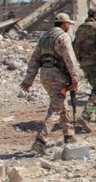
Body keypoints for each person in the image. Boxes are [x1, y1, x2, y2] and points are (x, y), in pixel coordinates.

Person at [21, 12, 82, 155]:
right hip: (58, 76)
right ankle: (41, 141)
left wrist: (28, 80)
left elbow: (34, 60)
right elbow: (70, 59)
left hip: (45, 75)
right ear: (64, 24)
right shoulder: (63, 37)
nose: (69, 27)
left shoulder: (43, 38)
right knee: (55, 108)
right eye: (68, 24)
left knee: (62, 105)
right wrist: (75, 79)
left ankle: (69, 135)